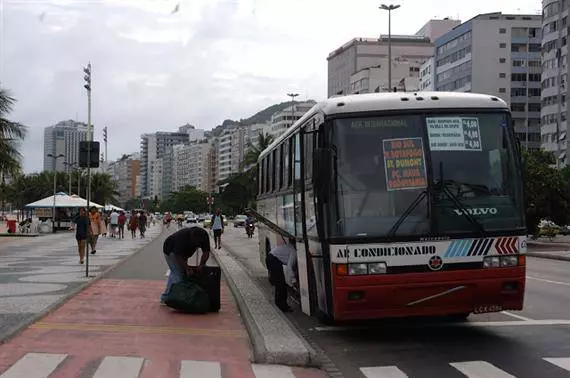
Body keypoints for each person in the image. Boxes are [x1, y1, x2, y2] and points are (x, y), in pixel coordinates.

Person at [160, 226, 211, 304]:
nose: (196, 244)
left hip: (183, 253)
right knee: (177, 273)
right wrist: (187, 268)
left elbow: (206, 252)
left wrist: (202, 264)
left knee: (178, 272)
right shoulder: (182, 238)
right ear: (191, 236)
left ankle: (173, 296)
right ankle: (168, 298)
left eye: (198, 243)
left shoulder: (204, 236)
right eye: (195, 242)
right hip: (170, 250)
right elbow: (178, 256)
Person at [266, 237, 296, 312]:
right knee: (281, 285)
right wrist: (293, 281)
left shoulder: (289, 246)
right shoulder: (294, 252)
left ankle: (279, 304)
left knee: (279, 284)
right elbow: (289, 268)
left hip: (271, 258)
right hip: (273, 260)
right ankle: (283, 307)